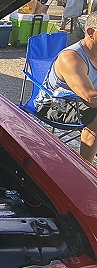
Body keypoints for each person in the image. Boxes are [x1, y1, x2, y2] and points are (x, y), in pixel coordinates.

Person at [35, 11, 97, 166]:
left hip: (81, 102)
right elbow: (90, 98)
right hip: (54, 104)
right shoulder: (71, 57)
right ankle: (85, 169)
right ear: (91, 32)